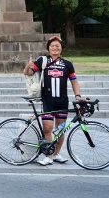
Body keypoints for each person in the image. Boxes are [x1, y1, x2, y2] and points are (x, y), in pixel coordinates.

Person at [24, 36, 81, 165]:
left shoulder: (68, 64)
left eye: (58, 46)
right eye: (52, 45)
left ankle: (56, 154)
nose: (55, 47)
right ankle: (48, 156)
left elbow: (74, 81)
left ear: (61, 48)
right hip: (47, 101)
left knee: (60, 129)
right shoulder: (42, 61)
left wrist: (77, 95)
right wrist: (28, 67)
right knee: (47, 128)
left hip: (62, 101)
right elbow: (27, 73)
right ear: (48, 48)